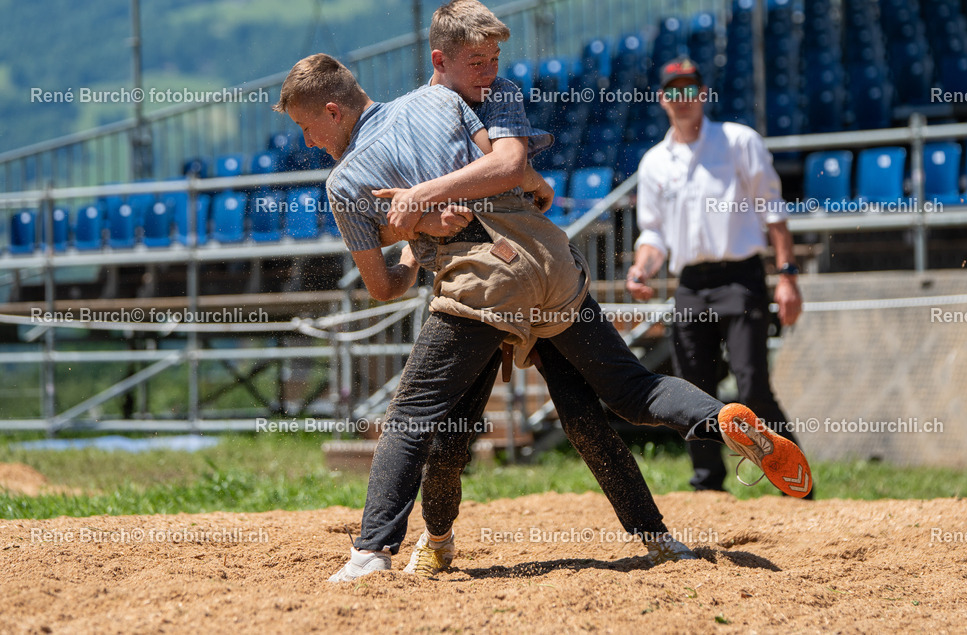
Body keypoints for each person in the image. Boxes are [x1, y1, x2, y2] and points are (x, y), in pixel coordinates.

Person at [272, 52, 813, 583]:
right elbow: (514, 172)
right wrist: (518, 190)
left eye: (307, 126)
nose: (308, 142)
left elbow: (381, 287)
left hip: (481, 288)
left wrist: (414, 243)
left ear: (333, 111)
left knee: (421, 418)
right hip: (549, 264)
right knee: (622, 396)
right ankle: (703, 450)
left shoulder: (344, 184)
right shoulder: (436, 100)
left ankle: (385, 549)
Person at [377, 0, 696, 578]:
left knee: (585, 421)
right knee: (454, 437)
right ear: (439, 58)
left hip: (517, 274)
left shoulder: (499, 95)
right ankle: (439, 539)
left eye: (495, 57)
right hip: (471, 277)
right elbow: (443, 185)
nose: (490, 71)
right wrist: (415, 233)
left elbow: (505, 166)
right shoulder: (417, 114)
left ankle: (655, 536)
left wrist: (499, 181)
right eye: (477, 60)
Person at [626, 57, 811, 497]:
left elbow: (774, 212)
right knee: (692, 391)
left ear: (703, 94)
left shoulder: (739, 141)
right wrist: (641, 267)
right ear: (662, 98)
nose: (683, 98)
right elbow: (653, 234)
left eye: (691, 88)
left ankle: (795, 481)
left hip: (740, 277)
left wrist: (787, 277)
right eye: (674, 90)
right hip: (690, 284)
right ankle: (708, 486)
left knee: (752, 386)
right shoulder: (653, 162)